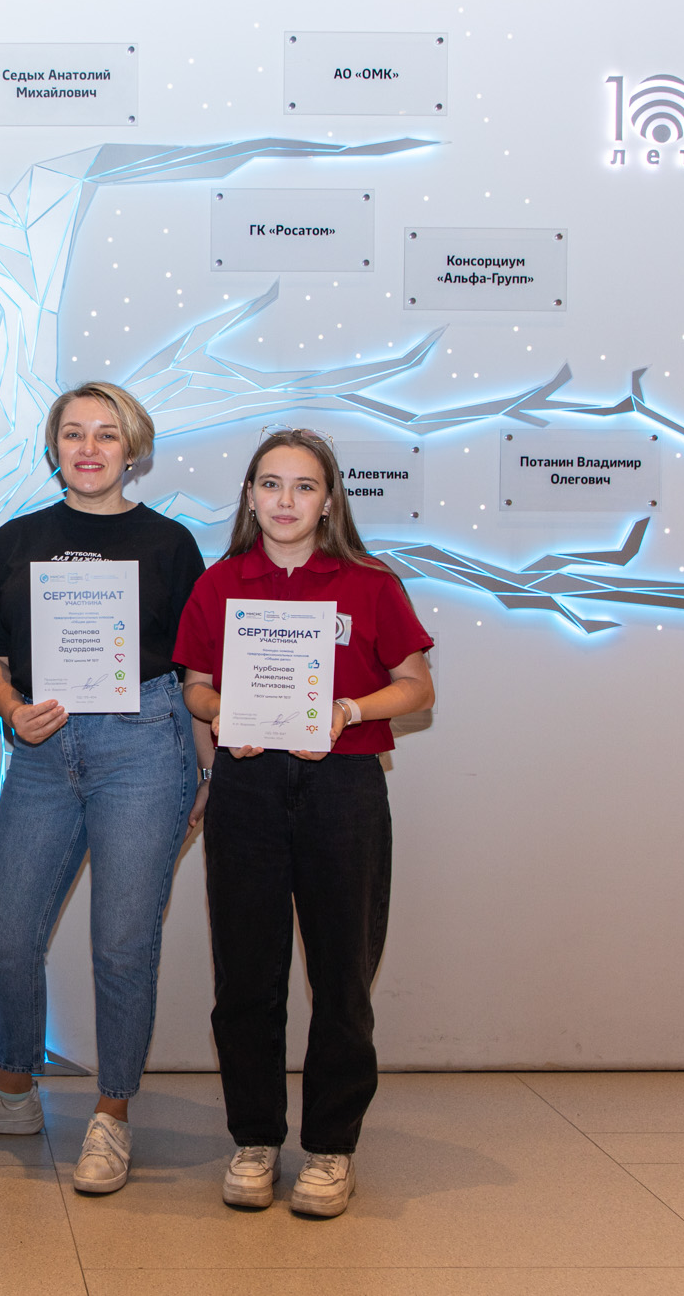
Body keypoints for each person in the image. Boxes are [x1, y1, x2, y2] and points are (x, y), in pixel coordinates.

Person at [0, 383, 208, 1197]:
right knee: (6, 930)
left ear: (133, 448)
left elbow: (197, 669)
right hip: (44, 747)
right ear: (52, 448)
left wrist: (205, 769)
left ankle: (112, 1113)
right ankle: (14, 1092)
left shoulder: (170, 542)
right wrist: (12, 711)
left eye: (107, 434)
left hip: (144, 747)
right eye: (73, 433)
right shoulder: (17, 538)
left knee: (123, 939)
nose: (89, 448)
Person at [173, 427, 435, 1217]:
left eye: (304, 486)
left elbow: (417, 685)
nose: (285, 500)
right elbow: (195, 686)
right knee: (246, 976)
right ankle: (255, 1139)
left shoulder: (369, 582)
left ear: (328, 501)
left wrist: (348, 708)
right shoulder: (219, 582)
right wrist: (225, 711)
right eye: (270, 484)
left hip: (343, 787)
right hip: (248, 787)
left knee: (343, 975)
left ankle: (330, 1145)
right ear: (250, 496)